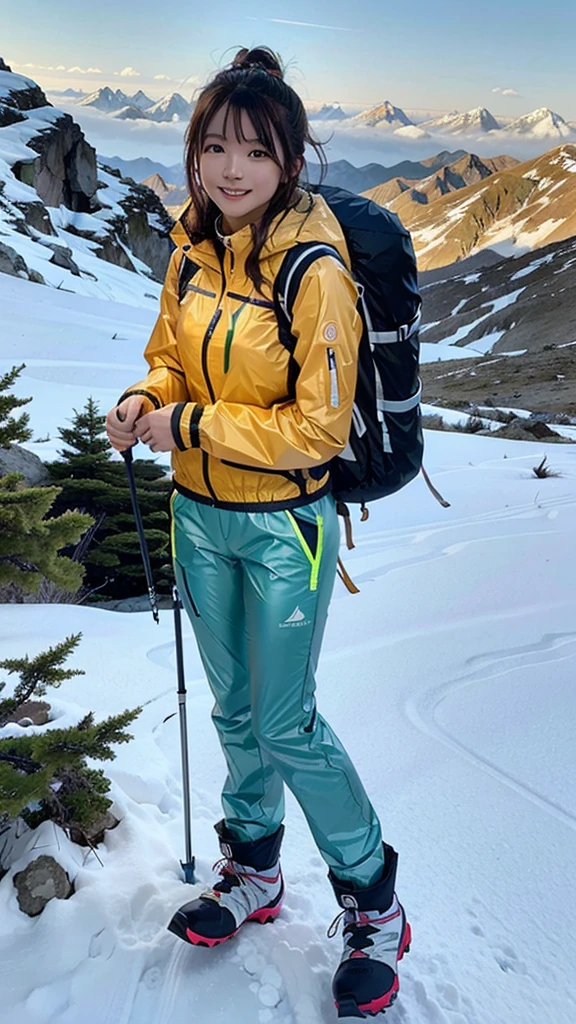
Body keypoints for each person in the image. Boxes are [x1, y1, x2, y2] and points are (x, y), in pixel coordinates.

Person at [105, 46, 411, 1019]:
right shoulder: (194, 243)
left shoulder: (313, 268)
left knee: (288, 720)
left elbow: (317, 427)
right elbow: (170, 358)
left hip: (285, 528)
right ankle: (254, 869)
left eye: (254, 151)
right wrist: (142, 398)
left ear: (290, 159)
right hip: (199, 516)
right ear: (194, 154)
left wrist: (186, 425)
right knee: (235, 708)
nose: (230, 169)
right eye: (215, 147)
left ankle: (374, 902)